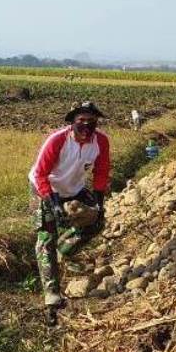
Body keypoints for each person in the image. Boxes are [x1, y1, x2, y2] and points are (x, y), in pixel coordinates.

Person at [28, 101, 110, 326]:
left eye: (91, 122)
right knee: (45, 238)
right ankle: (52, 296)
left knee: (96, 222)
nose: (86, 126)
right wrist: (52, 202)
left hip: (74, 189)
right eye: (81, 121)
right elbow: (40, 173)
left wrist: (99, 203)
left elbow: (102, 171)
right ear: (72, 123)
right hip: (46, 189)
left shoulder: (100, 142)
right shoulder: (57, 140)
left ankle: (63, 249)